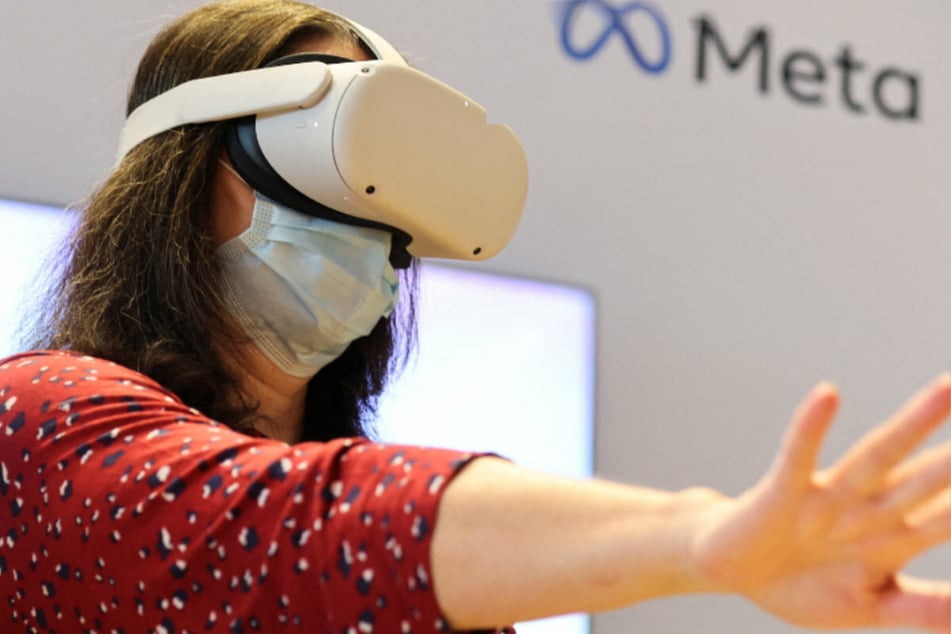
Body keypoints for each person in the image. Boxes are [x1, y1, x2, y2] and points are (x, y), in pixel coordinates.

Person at [1, 1, 948, 633]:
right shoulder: (39, 420)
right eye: (332, 165)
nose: (369, 230)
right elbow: (277, 528)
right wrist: (700, 541)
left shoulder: (427, 557)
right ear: (180, 175)